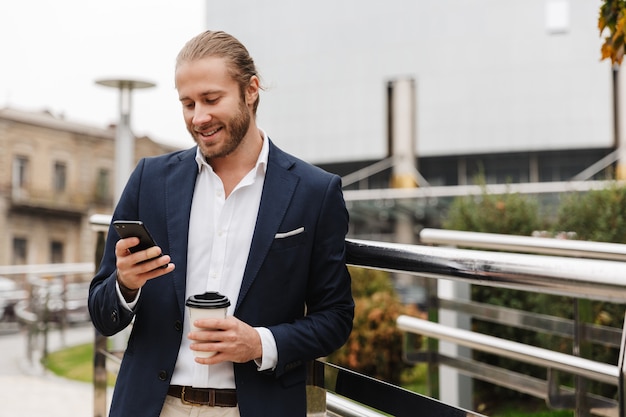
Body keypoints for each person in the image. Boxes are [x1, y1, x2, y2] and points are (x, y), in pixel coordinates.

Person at [88, 30, 354, 417]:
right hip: (152, 407)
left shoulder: (315, 192)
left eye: (212, 99)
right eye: (188, 103)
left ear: (251, 90)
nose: (199, 117)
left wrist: (260, 343)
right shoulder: (150, 179)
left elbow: (335, 317)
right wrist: (125, 285)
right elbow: (101, 311)